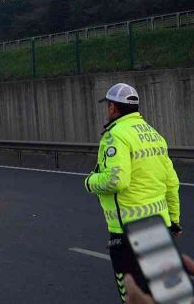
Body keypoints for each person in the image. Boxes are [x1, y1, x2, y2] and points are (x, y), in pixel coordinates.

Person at [84, 83, 181, 303]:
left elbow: (116, 180)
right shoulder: (154, 135)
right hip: (160, 226)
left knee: (133, 297)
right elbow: (172, 183)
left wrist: (90, 182)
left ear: (112, 107)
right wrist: (174, 220)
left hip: (128, 232)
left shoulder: (115, 136)